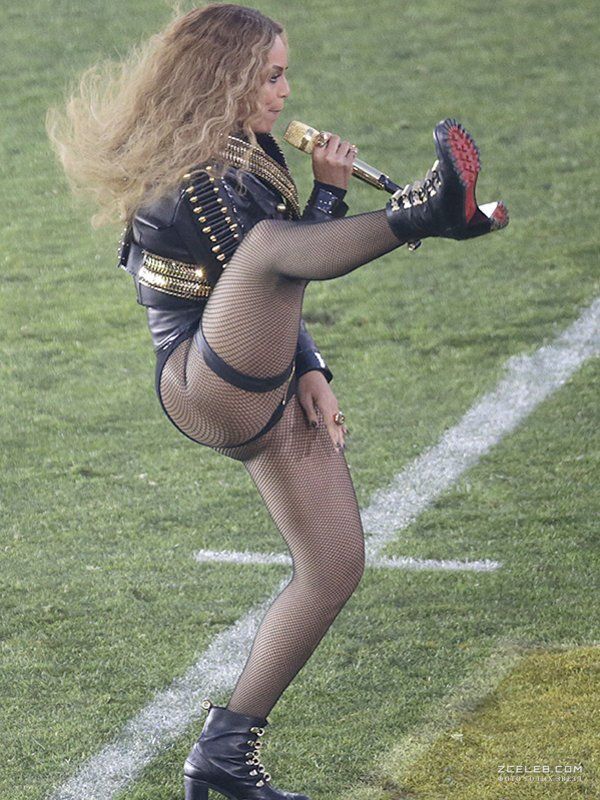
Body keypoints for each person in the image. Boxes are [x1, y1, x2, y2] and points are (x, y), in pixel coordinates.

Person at [47, 5, 508, 799]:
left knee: (334, 567)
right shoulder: (190, 176)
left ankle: (224, 757)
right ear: (222, 79)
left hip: (253, 371)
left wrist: (312, 369)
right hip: (203, 380)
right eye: (270, 76)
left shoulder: (246, 147)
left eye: (283, 74)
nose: (284, 92)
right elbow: (266, 271)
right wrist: (333, 198)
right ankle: (428, 213)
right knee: (266, 250)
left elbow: (270, 299)